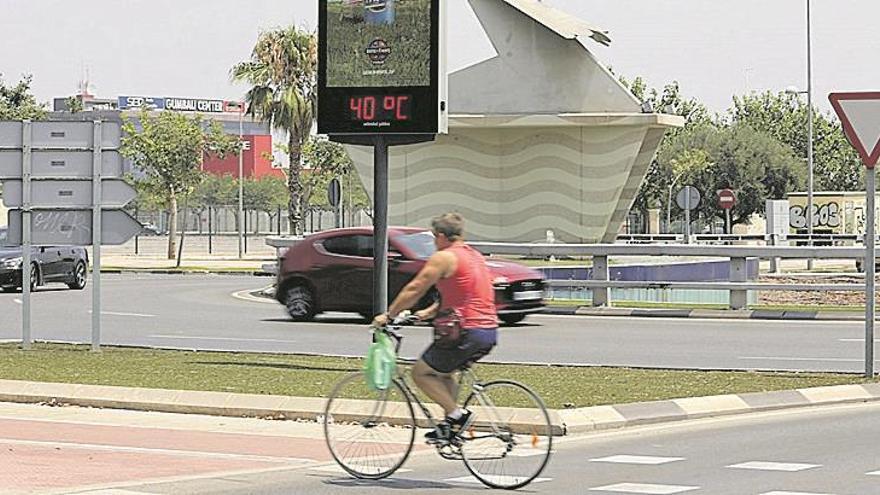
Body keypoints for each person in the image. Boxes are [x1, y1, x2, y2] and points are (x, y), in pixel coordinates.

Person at [373, 212, 498, 441]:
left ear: (440, 236)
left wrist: (389, 315)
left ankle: (457, 416)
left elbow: (416, 288)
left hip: (464, 331)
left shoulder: (444, 257)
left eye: (434, 238)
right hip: (487, 331)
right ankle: (450, 426)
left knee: (420, 373)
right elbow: (465, 293)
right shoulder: (475, 257)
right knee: (444, 372)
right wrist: (427, 313)